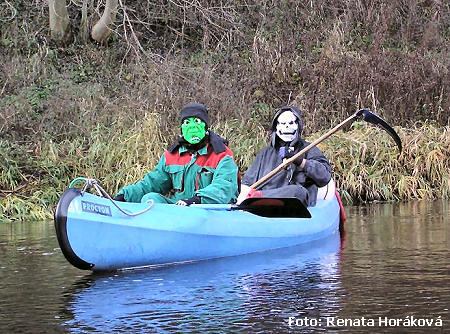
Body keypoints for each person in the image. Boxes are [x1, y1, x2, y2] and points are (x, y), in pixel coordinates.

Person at [114, 103, 239, 205]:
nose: (192, 127)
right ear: (182, 128)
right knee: (151, 198)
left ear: (205, 127)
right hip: (178, 210)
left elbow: (224, 186)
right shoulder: (172, 155)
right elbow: (152, 183)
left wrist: (197, 200)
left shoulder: (222, 154)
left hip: (208, 210)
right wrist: (124, 196)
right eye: (187, 123)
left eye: (196, 121)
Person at [237, 106, 331, 206]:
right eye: (283, 123)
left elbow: (325, 177)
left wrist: (300, 161)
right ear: (276, 126)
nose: (287, 127)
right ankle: (259, 198)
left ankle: (259, 197)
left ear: (297, 125)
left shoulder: (309, 149)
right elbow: (247, 182)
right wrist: (244, 196)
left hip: (295, 205)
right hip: (265, 204)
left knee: (298, 192)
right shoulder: (265, 153)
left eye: (291, 123)